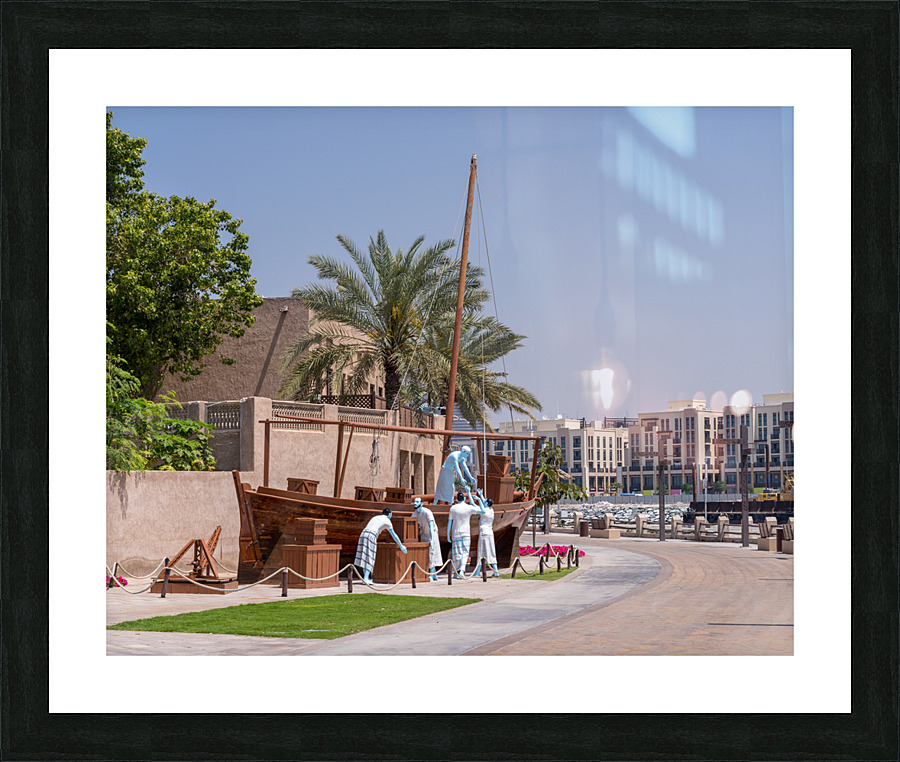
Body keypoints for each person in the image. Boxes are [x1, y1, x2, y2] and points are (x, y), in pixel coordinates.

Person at [354, 507, 406, 584]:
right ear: (389, 514)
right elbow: (394, 535)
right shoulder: (387, 521)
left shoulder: (376, 517)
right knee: (370, 556)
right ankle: (365, 578)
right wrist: (401, 545)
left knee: (364, 556)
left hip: (363, 534)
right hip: (371, 535)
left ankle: (366, 577)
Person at [446, 491, 481, 579]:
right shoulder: (469, 508)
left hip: (456, 533)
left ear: (456, 499)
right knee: (465, 553)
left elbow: (450, 522)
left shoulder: (453, 508)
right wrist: (477, 501)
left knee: (456, 553)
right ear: (464, 499)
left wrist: (447, 534)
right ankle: (462, 570)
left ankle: (456, 571)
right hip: (466, 533)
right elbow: (482, 511)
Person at [411, 497, 442, 581]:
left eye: (417, 502)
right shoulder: (414, 513)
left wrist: (432, 539)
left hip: (432, 534)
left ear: (421, 503)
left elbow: (431, 526)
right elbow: (411, 523)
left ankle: (431, 575)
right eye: (414, 502)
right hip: (424, 534)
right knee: (425, 554)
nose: (415, 503)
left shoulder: (427, 512)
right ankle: (434, 574)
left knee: (432, 554)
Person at [471, 490, 499, 578]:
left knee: (481, 552)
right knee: (491, 552)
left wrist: (478, 499)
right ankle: (495, 570)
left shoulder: (483, 511)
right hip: (490, 533)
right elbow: (485, 503)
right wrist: (481, 495)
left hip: (483, 533)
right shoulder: (491, 510)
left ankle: (478, 571)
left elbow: (474, 505)